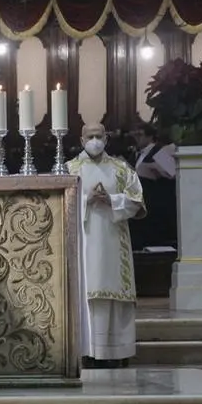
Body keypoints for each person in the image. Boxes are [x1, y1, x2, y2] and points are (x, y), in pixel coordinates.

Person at [68, 123, 145, 369]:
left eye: (98, 136)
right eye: (89, 136)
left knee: (113, 292)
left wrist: (111, 200)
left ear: (106, 137)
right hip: (85, 241)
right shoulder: (70, 169)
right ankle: (85, 351)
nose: (94, 140)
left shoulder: (121, 169)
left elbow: (137, 201)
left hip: (113, 241)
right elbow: (59, 203)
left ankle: (118, 350)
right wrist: (86, 200)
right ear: (81, 140)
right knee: (86, 292)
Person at [128, 122, 176, 249]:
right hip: (140, 202)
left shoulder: (159, 151)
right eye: (135, 134)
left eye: (140, 134)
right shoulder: (136, 153)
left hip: (156, 203)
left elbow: (173, 173)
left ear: (150, 136)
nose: (136, 138)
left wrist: (153, 169)